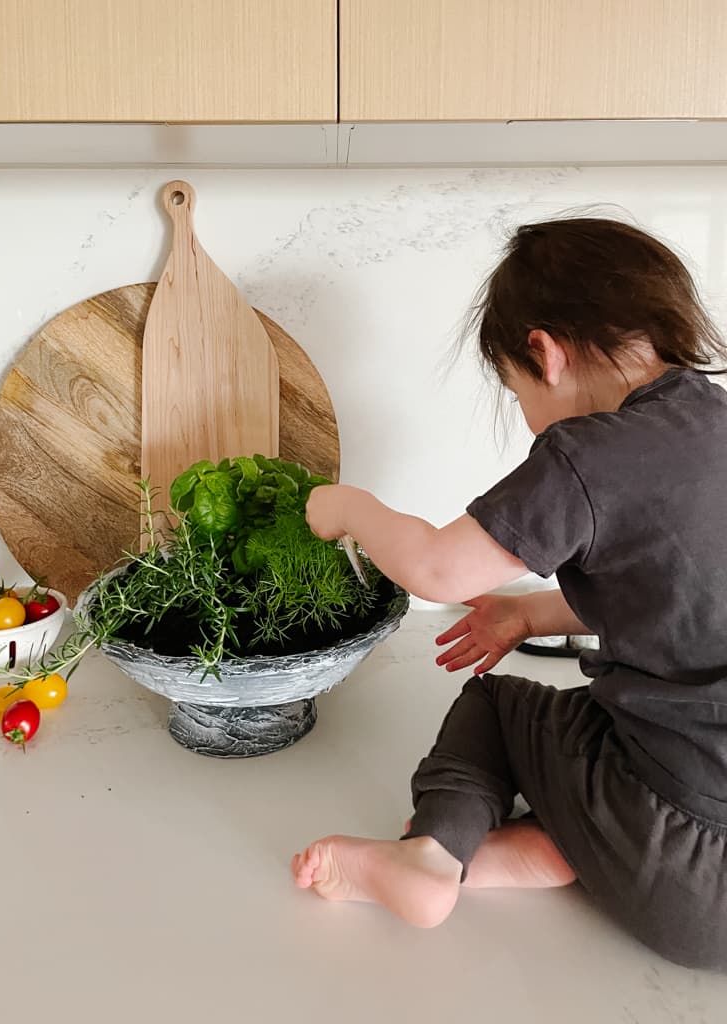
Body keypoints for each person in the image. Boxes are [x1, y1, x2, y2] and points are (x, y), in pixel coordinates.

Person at [291, 217, 727, 971]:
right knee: (609, 729)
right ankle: (540, 851)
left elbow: (436, 570)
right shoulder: (712, 427)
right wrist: (529, 611)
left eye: (513, 390)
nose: (524, 414)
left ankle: (429, 860)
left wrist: (352, 509)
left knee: (500, 705)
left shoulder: (590, 454)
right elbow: (678, 596)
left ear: (545, 353)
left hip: (683, 866)